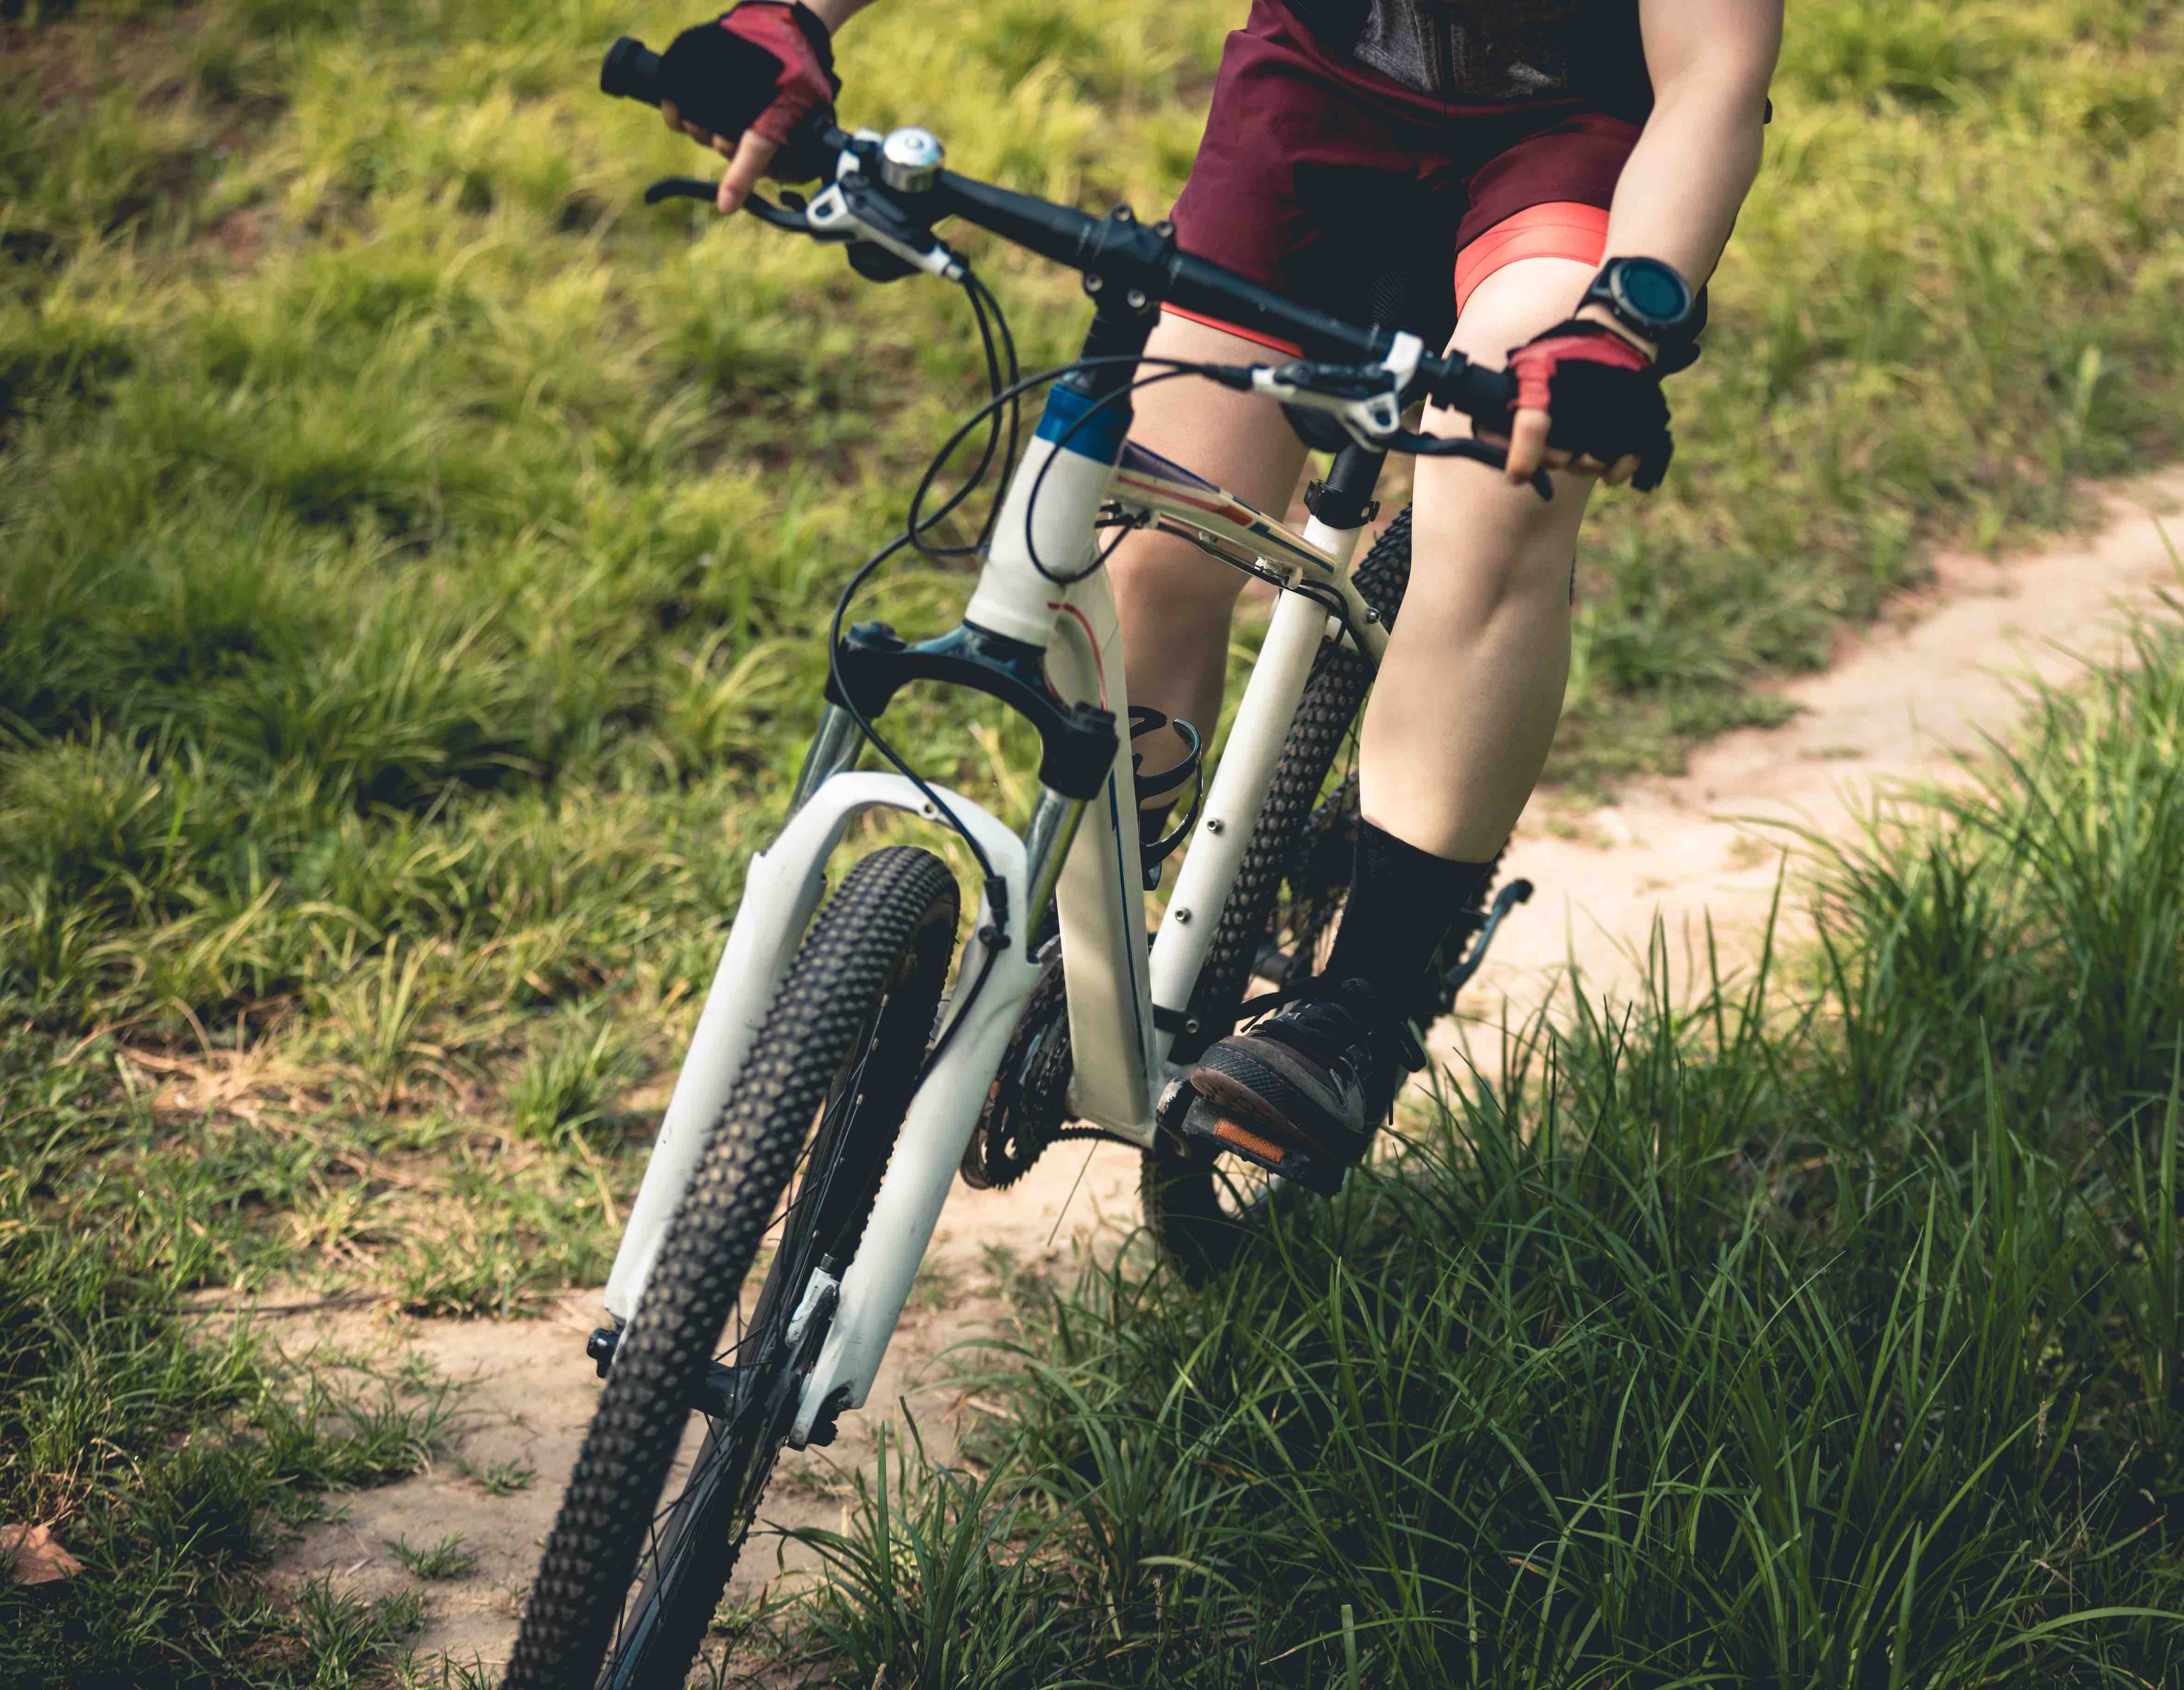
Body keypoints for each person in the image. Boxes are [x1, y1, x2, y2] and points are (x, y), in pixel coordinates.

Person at [651, 0, 1782, 1194]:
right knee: (1149, 546)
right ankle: (1085, 949)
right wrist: (789, 19)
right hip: (1318, 95)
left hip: (1579, 133)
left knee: (1504, 477)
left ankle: (1366, 1004)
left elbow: (1715, 71)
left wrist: (1623, 318)